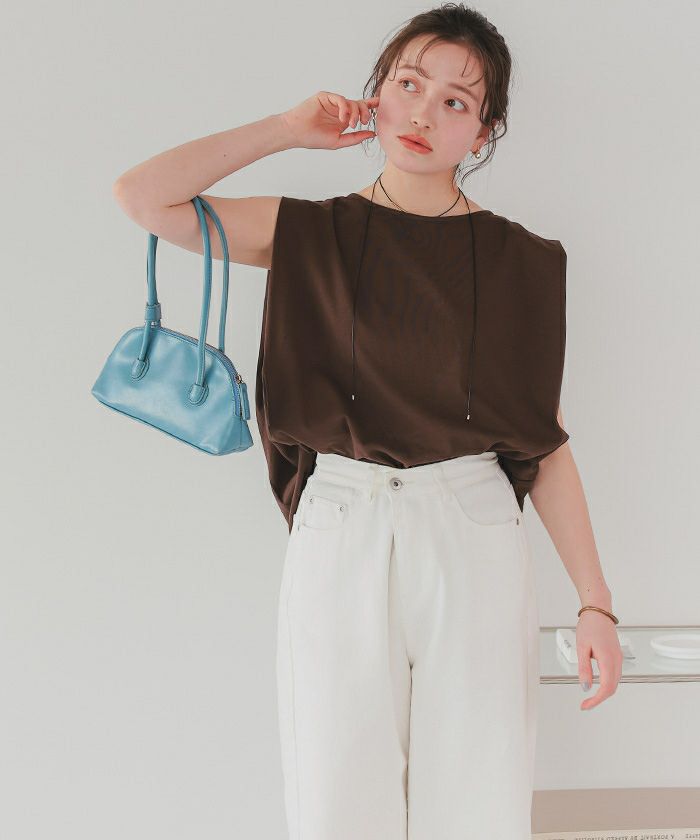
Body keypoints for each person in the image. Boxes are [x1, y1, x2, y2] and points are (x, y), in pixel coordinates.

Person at [112, 4, 623, 837]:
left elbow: (546, 438)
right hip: (343, 519)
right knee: (336, 802)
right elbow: (142, 196)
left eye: (456, 101)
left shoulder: (523, 262)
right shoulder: (305, 232)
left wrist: (595, 602)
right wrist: (287, 129)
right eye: (408, 84)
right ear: (375, 93)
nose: (423, 113)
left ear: (484, 133)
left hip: (473, 524)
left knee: (479, 801)